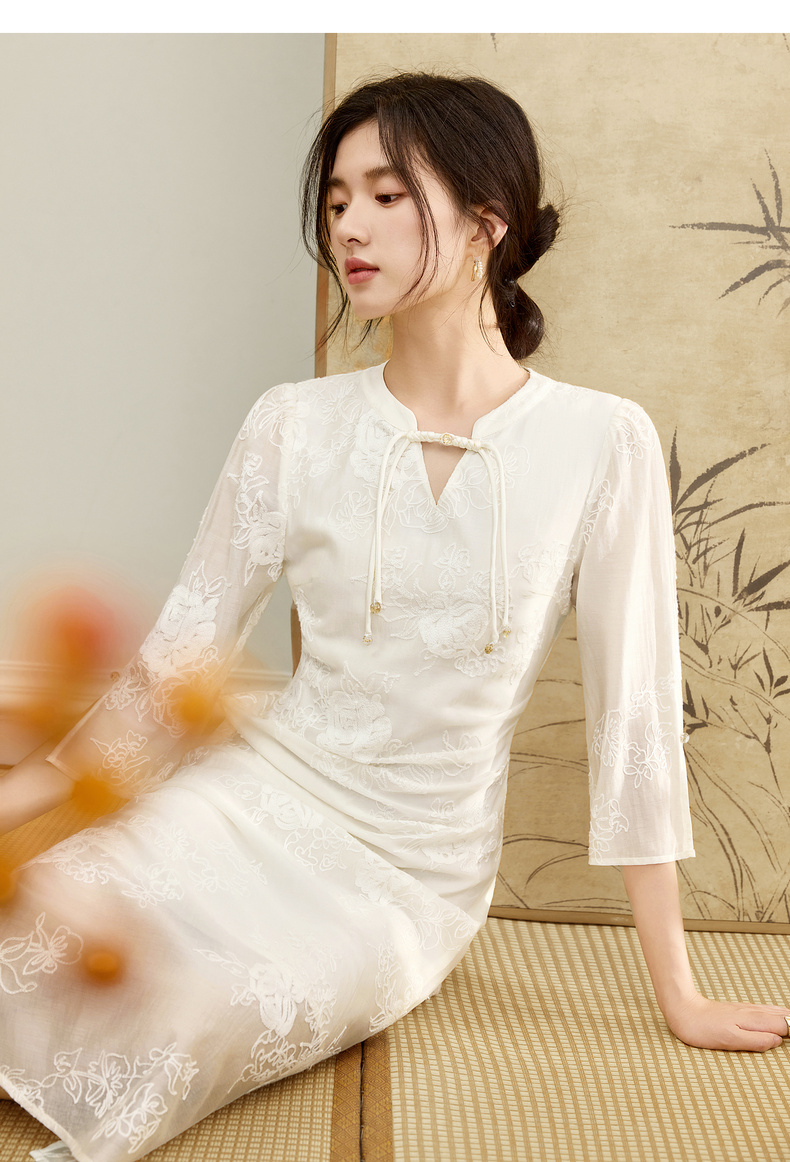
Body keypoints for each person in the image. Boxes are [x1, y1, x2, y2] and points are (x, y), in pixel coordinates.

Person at [1, 72, 788, 1162]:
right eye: (335, 201)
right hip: (246, 801)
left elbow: (636, 725)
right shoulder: (292, 424)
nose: (348, 227)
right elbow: (179, 658)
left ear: (486, 223)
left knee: (180, 1022)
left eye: (385, 195)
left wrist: (681, 992)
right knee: (35, 935)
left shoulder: (600, 442)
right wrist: (25, 796)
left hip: (405, 877)